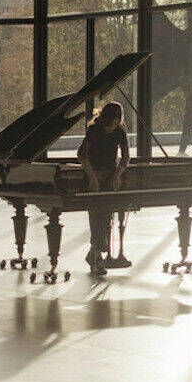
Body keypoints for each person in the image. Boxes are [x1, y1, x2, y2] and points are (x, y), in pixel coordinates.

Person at [77, 101, 131, 277]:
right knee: (96, 214)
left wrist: (117, 176)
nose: (112, 127)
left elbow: (125, 157)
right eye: (111, 123)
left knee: (106, 215)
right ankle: (97, 256)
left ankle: (95, 253)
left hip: (109, 175)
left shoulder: (120, 131)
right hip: (93, 174)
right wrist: (92, 178)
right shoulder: (94, 130)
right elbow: (82, 154)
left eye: (116, 124)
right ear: (105, 119)